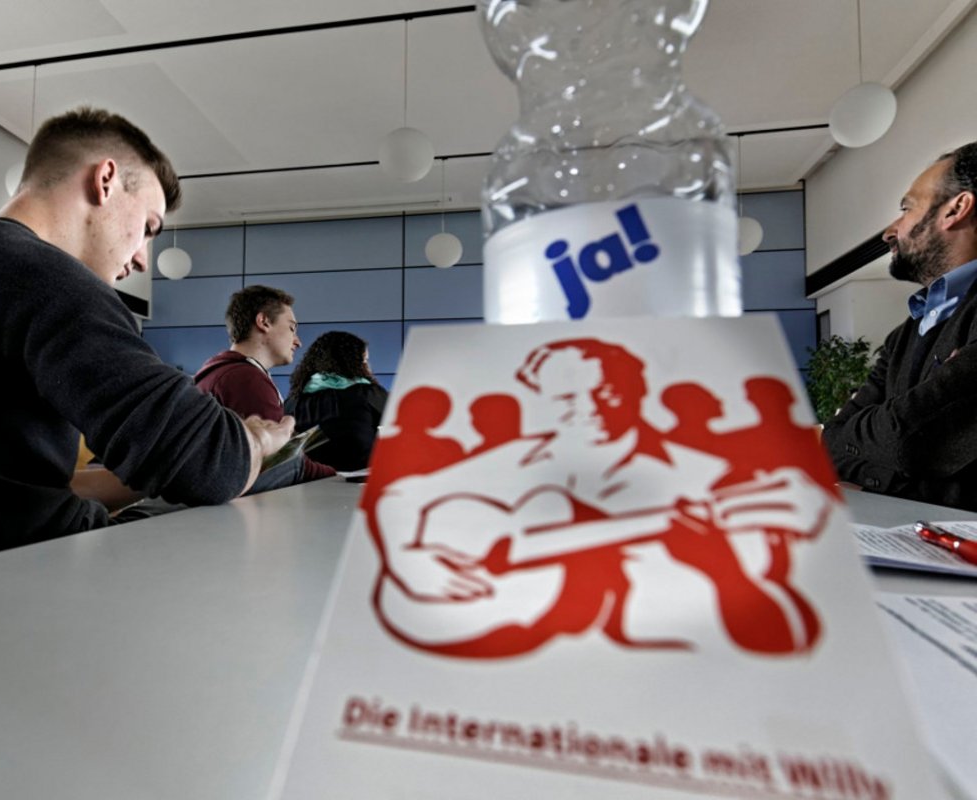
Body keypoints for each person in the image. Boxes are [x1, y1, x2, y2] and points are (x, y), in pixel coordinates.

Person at [0, 107, 293, 570]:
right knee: (267, 502)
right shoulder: (35, 271)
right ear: (105, 180)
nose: (142, 260)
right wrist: (253, 440)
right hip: (4, 577)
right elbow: (209, 465)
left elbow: (5, 485)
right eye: (149, 228)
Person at [365, 338, 837, 658]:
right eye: (566, 398)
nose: (588, 409)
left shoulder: (711, 477)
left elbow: (785, 641)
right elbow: (400, 493)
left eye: (605, 392)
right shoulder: (517, 455)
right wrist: (406, 558)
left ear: (636, 391)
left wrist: (725, 570)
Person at [823, 142, 977, 511]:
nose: (890, 232)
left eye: (906, 209)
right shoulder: (905, 333)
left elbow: (905, 439)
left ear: (956, 209)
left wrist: (885, 455)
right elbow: (833, 442)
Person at [195, 285, 334, 482]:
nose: (298, 341)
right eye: (292, 328)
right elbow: (278, 460)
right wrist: (335, 475)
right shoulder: (245, 379)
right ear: (264, 322)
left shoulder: (221, 372)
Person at [282, 331, 387, 471]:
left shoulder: (293, 401)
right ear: (355, 364)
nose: (368, 366)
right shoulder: (368, 393)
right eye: (365, 360)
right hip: (360, 476)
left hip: (310, 478)